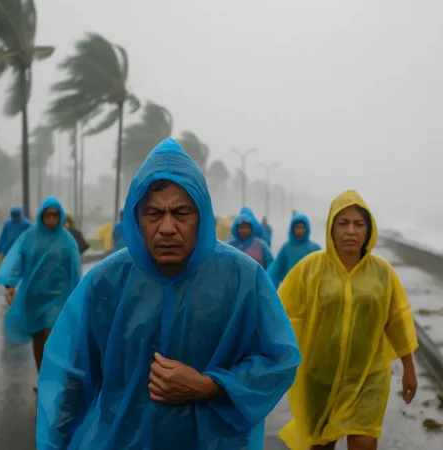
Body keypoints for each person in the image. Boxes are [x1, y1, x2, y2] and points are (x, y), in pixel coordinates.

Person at [36, 138, 301, 450]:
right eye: (154, 214)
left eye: (181, 213)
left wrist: (209, 386)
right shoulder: (105, 282)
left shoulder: (243, 279)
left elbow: (279, 359)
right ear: (136, 219)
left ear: (201, 217)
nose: (166, 227)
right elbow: (70, 381)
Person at [278, 190, 418, 450]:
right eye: (343, 223)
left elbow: (397, 321)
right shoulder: (310, 268)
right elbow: (280, 312)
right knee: (321, 444)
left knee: (364, 441)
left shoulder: (382, 273)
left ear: (369, 229)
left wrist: (408, 367)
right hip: (320, 376)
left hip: (369, 376)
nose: (351, 231)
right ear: (331, 229)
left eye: (358, 224)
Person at [0, 196, 82, 388]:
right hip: (34, 296)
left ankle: (53, 378)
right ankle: (42, 377)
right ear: (41, 216)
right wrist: (10, 285)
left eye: (55, 215)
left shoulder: (67, 240)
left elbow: (75, 269)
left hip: (58, 297)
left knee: (51, 336)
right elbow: (16, 261)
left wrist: (78, 296)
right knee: (38, 340)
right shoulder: (29, 237)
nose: (51, 220)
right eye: (48, 215)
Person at [267, 213, 322, 289]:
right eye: (297, 228)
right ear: (292, 229)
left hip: (310, 290)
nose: (300, 231)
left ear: (307, 229)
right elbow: (275, 272)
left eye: (302, 228)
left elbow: (323, 271)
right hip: (291, 290)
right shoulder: (286, 248)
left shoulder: (315, 249)